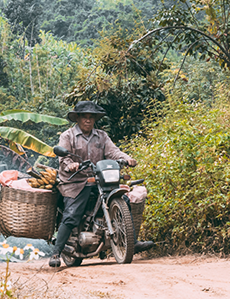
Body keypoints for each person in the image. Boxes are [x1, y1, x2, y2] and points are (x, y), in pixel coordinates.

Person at [49, 101, 155, 268]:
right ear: (77, 117)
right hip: (75, 181)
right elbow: (64, 158)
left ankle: (131, 243)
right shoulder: (67, 136)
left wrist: (126, 158)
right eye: (85, 117)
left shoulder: (101, 136)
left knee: (124, 201)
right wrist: (70, 165)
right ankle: (56, 253)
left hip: (100, 179)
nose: (88, 120)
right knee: (72, 214)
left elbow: (113, 151)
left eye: (92, 117)